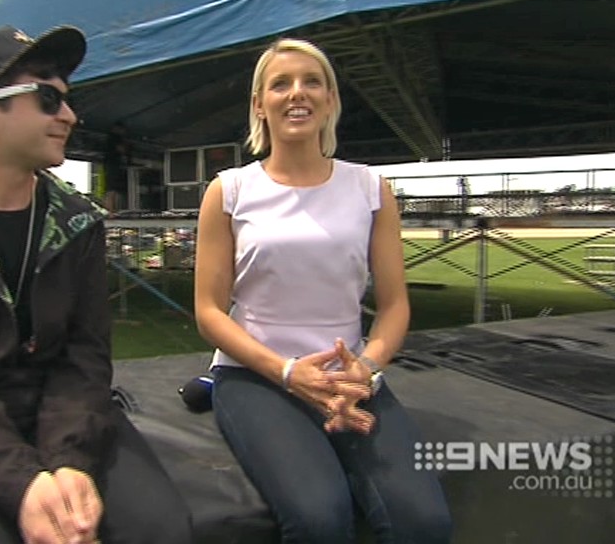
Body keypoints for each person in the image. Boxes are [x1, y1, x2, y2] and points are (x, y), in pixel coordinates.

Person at [0, 25, 192, 544]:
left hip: (63, 411)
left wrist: (70, 463)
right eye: (47, 98)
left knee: (161, 529)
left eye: (67, 100)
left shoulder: (79, 221)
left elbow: (86, 355)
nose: (69, 116)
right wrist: (21, 481)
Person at [193, 38, 453, 543]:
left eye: (312, 82)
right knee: (319, 519)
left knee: (424, 522)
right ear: (259, 105)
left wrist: (367, 367)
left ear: (331, 100)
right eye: (281, 84)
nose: (298, 93)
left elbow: (395, 306)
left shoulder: (370, 189)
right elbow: (208, 311)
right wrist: (287, 372)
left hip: (349, 378)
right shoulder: (229, 191)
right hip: (256, 377)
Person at [101, 121, 131, 212]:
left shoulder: (109, 138)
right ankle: (109, 209)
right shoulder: (115, 138)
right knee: (112, 188)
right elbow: (121, 149)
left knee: (111, 188)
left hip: (110, 164)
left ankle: (109, 209)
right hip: (113, 164)